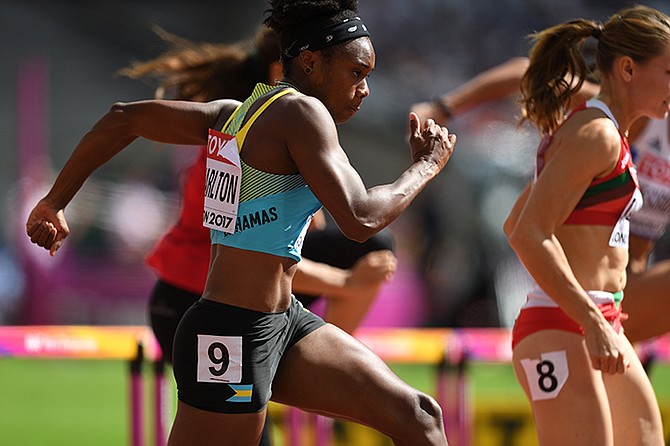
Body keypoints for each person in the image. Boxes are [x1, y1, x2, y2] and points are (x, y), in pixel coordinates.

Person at [25, 1, 456, 445]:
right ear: (310, 62)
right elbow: (361, 217)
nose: (364, 89)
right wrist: (426, 166)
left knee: (420, 416)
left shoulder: (237, 113)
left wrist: (55, 202)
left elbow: (124, 118)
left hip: (284, 323)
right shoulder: (302, 114)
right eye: (356, 73)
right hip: (231, 332)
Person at [122, 25, 396, 446]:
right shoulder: (234, 141)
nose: (361, 92)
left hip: (254, 315)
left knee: (374, 250)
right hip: (191, 300)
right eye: (353, 74)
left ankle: (318, 354)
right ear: (284, 72)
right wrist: (343, 283)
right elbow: (251, 252)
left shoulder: (284, 147)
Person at [412, 50, 670, 345]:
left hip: (626, 294)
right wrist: (443, 108)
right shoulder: (638, 114)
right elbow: (525, 73)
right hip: (579, 290)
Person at [503, 5, 667, 445]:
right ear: (629, 69)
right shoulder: (597, 134)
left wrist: (598, 321)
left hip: (598, 320)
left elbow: (516, 219)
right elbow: (525, 232)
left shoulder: (605, 132)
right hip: (564, 326)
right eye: (669, 72)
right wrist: (592, 322)